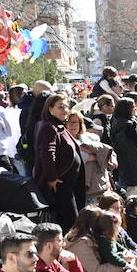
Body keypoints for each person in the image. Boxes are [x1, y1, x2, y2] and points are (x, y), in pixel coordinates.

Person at [33, 95, 84, 231]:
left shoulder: (59, 126)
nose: (64, 110)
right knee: (70, 225)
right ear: (50, 109)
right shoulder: (49, 127)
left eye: (66, 106)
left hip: (69, 187)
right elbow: (48, 153)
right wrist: (51, 178)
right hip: (60, 188)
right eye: (60, 107)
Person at [66, 107, 114, 205]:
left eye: (75, 122)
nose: (72, 125)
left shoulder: (90, 138)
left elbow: (107, 151)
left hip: (98, 185)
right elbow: (74, 158)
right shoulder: (63, 140)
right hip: (79, 187)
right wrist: (91, 157)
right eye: (69, 122)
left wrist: (96, 156)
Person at [109, 97, 137, 198]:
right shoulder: (130, 125)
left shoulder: (115, 121)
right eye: (133, 106)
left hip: (124, 165)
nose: (135, 108)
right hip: (135, 166)